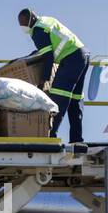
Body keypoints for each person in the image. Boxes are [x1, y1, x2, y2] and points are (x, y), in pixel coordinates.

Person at [17, 8, 88, 143]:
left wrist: (43, 81)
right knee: (75, 100)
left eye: (24, 22)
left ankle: (50, 136)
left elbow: (48, 57)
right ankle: (77, 139)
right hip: (83, 53)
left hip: (71, 57)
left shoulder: (37, 31)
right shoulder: (46, 21)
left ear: (31, 18)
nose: (23, 26)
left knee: (58, 96)